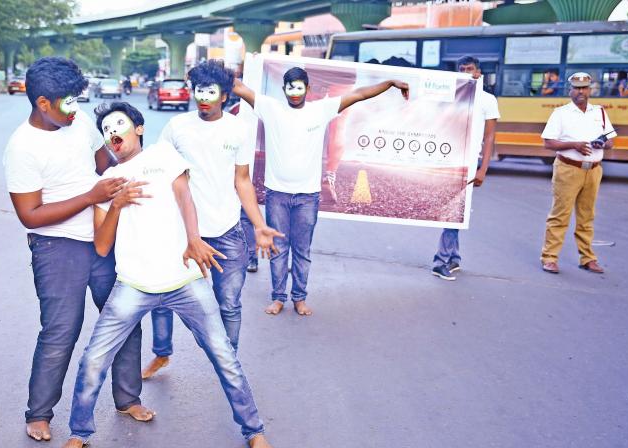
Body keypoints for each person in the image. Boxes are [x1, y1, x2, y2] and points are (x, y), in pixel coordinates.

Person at [63, 101, 271, 448]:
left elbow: (184, 197)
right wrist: (115, 204)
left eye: (119, 124)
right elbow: (101, 246)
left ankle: (254, 430)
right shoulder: (106, 182)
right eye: (106, 129)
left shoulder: (164, 154)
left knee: (224, 356)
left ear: (139, 129)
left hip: (184, 280)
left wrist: (194, 239)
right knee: (94, 358)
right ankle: (79, 433)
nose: (113, 132)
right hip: (133, 285)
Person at [2, 57, 152, 443]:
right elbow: (30, 215)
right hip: (56, 249)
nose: (74, 108)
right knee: (60, 333)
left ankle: (127, 398)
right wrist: (90, 196)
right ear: (42, 103)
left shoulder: (79, 120)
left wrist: (124, 163)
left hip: (102, 240)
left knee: (124, 319)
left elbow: (103, 163)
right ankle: (39, 414)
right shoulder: (22, 147)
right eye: (65, 102)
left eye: (75, 99)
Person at [142, 60, 283, 379]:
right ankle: (162, 354)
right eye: (198, 90)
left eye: (210, 91)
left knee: (229, 303)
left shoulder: (239, 129)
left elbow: (243, 180)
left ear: (223, 95)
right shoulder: (177, 127)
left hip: (226, 232)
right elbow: (158, 170)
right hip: (181, 231)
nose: (202, 97)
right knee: (162, 298)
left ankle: (227, 359)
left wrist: (259, 225)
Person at [233, 66, 409, 316]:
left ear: (308, 89)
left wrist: (390, 82)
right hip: (277, 195)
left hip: (307, 197)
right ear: (284, 90)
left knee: (302, 251)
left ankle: (299, 298)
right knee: (279, 249)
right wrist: (204, 73)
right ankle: (279, 297)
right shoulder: (270, 107)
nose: (295, 93)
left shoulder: (321, 109)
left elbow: (359, 94)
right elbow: (238, 87)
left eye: (299, 87)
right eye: (290, 88)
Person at [431, 56, 501, 281]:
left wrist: (483, 169)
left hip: (470, 164)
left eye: (469, 69)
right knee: (454, 210)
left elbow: (490, 137)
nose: (465, 73)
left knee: (457, 210)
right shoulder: (452, 97)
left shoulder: (488, 100)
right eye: (461, 70)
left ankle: (452, 258)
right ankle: (440, 261)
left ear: (478, 72)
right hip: (449, 161)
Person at [540, 72, 616, 274]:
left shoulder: (599, 112)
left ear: (590, 89)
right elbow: (548, 142)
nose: (581, 91)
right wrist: (574, 145)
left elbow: (610, 141)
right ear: (570, 90)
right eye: (577, 87)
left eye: (584, 88)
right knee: (560, 215)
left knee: (587, 216)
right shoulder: (560, 113)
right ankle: (549, 257)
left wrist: (603, 143)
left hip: (593, 171)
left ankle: (587, 258)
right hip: (568, 169)